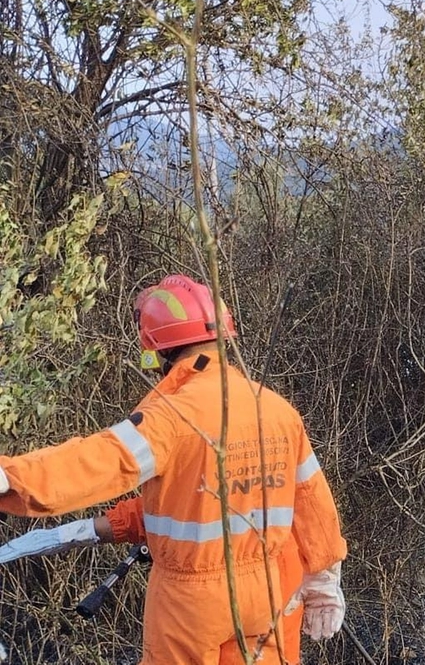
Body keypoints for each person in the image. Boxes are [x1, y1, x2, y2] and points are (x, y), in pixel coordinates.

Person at [0, 273, 347, 663]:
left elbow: (98, 461)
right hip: (268, 591)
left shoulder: (172, 416)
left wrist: (13, 478)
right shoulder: (277, 410)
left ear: (156, 345)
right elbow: (312, 501)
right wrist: (323, 576)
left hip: (191, 599)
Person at [0, 496, 307, 664]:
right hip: (269, 621)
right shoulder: (280, 496)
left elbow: (155, 510)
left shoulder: (187, 494)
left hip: (206, 613)